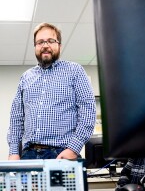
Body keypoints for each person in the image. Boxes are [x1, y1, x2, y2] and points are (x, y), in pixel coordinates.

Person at [7, 22, 96, 161]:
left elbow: (88, 112)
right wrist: (13, 152)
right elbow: (16, 118)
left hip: (62, 154)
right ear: (35, 47)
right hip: (28, 155)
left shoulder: (75, 71)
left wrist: (73, 149)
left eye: (51, 41)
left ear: (59, 45)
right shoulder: (26, 77)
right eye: (40, 42)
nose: (45, 45)